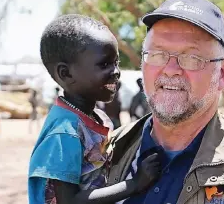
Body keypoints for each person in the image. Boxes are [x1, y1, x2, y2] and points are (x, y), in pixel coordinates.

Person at [106, 0, 224, 204]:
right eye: (157, 54)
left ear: (222, 74)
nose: (170, 70)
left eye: (191, 58)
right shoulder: (107, 151)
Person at [28, 14, 161, 204]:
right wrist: (135, 184)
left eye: (116, 63)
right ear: (66, 74)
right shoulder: (66, 132)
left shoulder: (93, 116)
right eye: (104, 64)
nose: (116, 72)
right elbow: (69, 201)